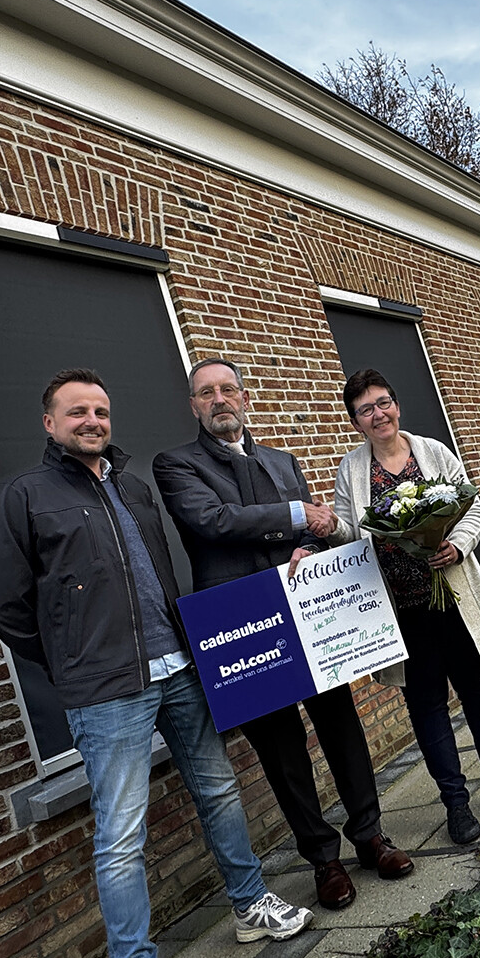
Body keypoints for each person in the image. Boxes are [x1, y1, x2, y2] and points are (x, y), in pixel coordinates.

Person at [0, 368, 311, 958]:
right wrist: (72, 660)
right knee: (120, 836)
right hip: (106, 692)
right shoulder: (23, 496)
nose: (92, 421)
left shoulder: (132, 486)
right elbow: (4, 607)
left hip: (178, 668)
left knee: (219, 790)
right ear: (49, 422)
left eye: (100, 410)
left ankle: (250, 904)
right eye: (76, 411)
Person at [153, 357, 413, 913]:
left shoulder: (281, 460)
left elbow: (313, 534)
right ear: (194, 406)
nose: (219, 400)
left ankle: (370, 835)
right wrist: (297, 515)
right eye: (207, 393)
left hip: (305, 610)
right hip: (241, 623)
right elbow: (213, 521)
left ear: (244, 398)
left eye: (228, 389)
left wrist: (310, 545)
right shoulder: (175, 465)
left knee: (341, 725)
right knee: (281, 749)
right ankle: (323, 859)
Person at [317, 367, 480, 845]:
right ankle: (456, 803)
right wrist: (329, 529)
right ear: (355, 421)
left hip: (454, 601)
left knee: (478, 693)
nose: (378, 414)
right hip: (403, 613)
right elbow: (351, 534)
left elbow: (472, 506)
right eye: (365, 410)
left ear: (396, 404)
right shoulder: (352, 470)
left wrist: (458, 545)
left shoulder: (433, 451)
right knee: (427, 708)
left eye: (383, 403)